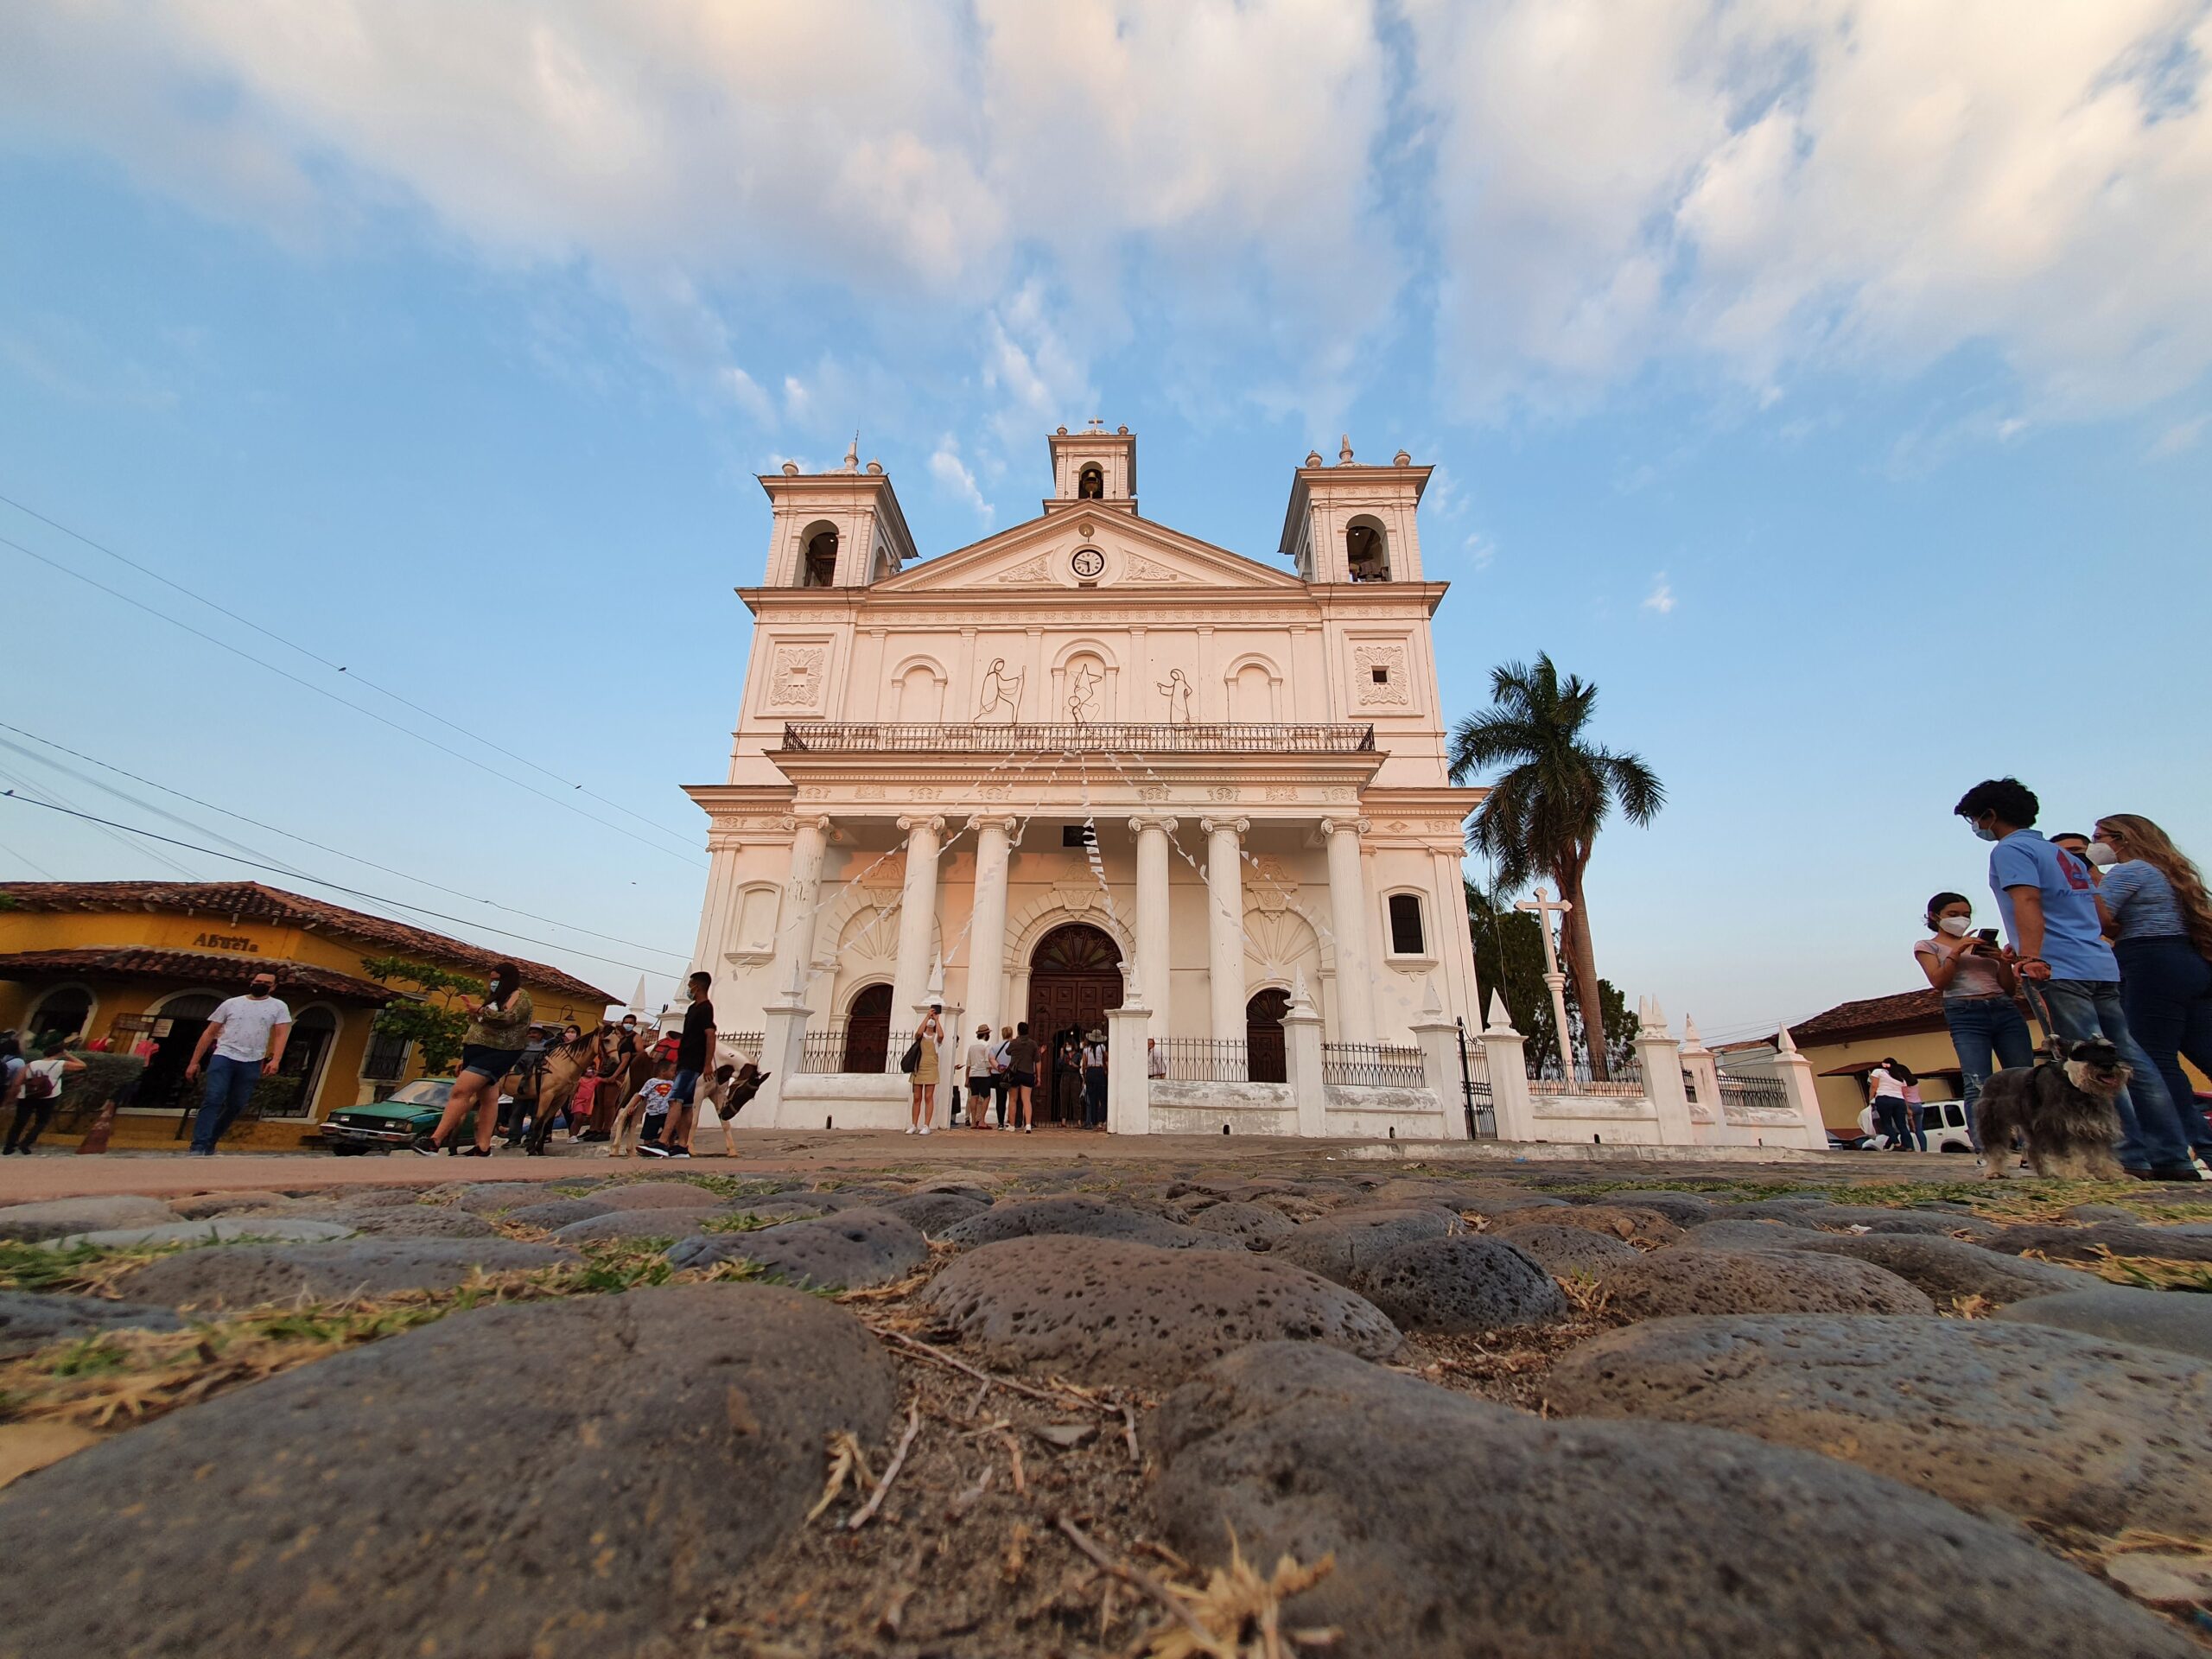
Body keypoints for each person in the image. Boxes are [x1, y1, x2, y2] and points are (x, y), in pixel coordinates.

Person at [1955, 778, 2197, 1179]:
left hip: (2058, 966)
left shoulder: (2011, 849)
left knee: (2080, 1071)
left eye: (1975, 820)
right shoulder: (2061, 854)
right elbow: (2096, 912)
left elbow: (2026, 899)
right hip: (2098, 962)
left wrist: (2031, 953)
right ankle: (2172, 1155)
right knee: (2128, 1059)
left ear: (1990, 816)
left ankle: (2125, 1155)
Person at [2092, 814, 2212, 1166]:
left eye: (2099, 836)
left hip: (2149, 961)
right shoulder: (2168, 873)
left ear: (2122, 838)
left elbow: (2096, 918)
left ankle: (2191, 1146)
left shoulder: (2129, 872)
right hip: (2189, 961)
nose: (2094, 843)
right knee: (2206, 1053)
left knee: (2153, 1060)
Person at [1914, 891, 2033, 1144]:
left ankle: (2031, 1147)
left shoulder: (1982, 947)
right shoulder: (1928, 946)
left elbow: (2010, 989)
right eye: (1953, 915)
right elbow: (1939, 981)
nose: (1961, 920)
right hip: (1965, 1012)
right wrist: (1956, 953)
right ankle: (1987, 1148)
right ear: (1935, 917)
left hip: (2003, 1008)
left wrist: (2002, 961)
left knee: (2023, 1079)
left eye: (1966, 915)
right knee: (1977, 1082)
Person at [413, 962, 533, 1157]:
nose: (493, 983)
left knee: (461, 1091)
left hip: (499, 1051)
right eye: (491, 979)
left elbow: (509, 1018)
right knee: (489, 1098)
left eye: (497, 980)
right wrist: (464, 1056)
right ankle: (483, 1147)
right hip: (476, 1051)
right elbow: (478, 1027)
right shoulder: (494, 999)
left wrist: (480, 1010)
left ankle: (434, 1140)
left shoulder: (521, 996)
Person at [182, 971, 291, 1156]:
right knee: (214, 1097)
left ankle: (211, 1140)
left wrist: (276, 1059)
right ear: (251, 982)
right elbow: (209, 1033)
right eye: (258, 981)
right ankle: (199, 1145)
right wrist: (194, 1062)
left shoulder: (278, 1006)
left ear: (273, 987)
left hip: (252, 1060)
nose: (261, 984)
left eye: (266, 982)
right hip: (224, 1055)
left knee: (237, 1104)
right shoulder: (231, 1003)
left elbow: (281, 1033)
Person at [644, 971, 715, 1158]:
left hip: (694, 1062)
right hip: (685, 1061)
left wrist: (708, 1064)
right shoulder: (692, 1009)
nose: (689, 989)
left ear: (697, 987)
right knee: (686, 1105)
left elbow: (710, 1036)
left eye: (690, 985)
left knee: (674, 1100)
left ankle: (662, 1142)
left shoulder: (706, 1008)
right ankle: (682, 1146)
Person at [4, 1033, 82, 1155]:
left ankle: (9, 1146)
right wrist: (68, 1055)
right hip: (49, 1096)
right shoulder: (60, 1064)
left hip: (28, 1095)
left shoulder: (31, 1064)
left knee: (19, 1121)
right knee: (41, 1122)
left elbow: (17, 1083)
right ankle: (26, 1143)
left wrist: (11, 1098)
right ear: (58, 1054)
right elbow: (82, 1066)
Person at [609, 1057, 675, 1157]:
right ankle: (647, 1149)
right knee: (648, 1134)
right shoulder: (651, 1082)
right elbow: (641, 1095)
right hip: (652, 1113)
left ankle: (670, 1149)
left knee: (670, 1131)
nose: (674, 1074)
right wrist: (632, 1106)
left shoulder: (672, 1083)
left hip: (666, 1113)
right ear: (663, 1071)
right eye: (672, 1071)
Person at [907, 1000, 944, 1135]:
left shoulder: (935, 1038)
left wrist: (937, 1020)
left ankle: (926, 1125)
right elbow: (917, 1033)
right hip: (919, 1067)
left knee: (929, 1097)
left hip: (931, 1068)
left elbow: (941, 1036)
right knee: (917, 1097)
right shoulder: (921, 1036)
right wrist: (926, 1016)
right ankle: (913, 1124)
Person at [1865, 1057, 1909, 1150]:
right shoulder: (1899, 1077)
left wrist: (1870, 1099)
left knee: (1886, 1123)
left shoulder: (1878, 1071)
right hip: (1899, 1101)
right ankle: (1908, 1146)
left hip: (1884, 1099)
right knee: (1902, 1125)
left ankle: (1897, 1144)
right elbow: (1904, 1092)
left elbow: (1874, 1086)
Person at [1006, 1021, 1039, 1133]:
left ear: (1018, 1031)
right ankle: (1028, 1124)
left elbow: (1007, 1052)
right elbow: (1038, 1060)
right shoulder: (1033, 1044)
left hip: (1015, 1073)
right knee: (1026, 1100)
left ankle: (1012, 1125)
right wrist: (1038, 1076)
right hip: (1028, 1073)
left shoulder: (1014, 1042)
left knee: (1013, 1099)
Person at [966, 1024, 997, 1132]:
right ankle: (982, 1120)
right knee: (987, 1097)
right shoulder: (986, 1045)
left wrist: (967, 1078)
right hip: (983, 1074)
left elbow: (968, 1063)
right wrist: (991, 1071)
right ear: (986, 1034)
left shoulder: (971, 1046)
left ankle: (973, 1121)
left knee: (974, 1097)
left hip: (973, 1074)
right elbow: (987, 1061)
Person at [1082, 1027, 1109, 1128]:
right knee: (1103, 1098)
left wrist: (1085, 1077)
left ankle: (1093, 1122)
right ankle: (1100, 1121)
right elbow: (1106, 1060)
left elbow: (1084, 1064)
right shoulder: (1102, 1047)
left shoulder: (1086, 1049)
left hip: (1090, 1072)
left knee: (1092, 1099)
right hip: (1099, 1072)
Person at [1897, 1065, 1927, 1153]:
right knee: (1919, 1130)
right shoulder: (1915, 1081)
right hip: (1919, 1105)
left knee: (1905, 1128)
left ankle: (1911, 1148)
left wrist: (1907, 1109)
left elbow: (1903, 1097)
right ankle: (1924, 1150)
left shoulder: (1902, 1083)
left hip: (1908, 1105)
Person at [992, 1026, 1014, 1128]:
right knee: (1013, 1098)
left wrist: (999, 1067)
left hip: (998, 1074)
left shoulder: (996, 1046)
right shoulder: (1014, 1046)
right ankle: (1012, 1121)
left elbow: (991, 1059)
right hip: (1011, 1074)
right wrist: (1008, 1068)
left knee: (1000, 1099)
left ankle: (1000, 1122)